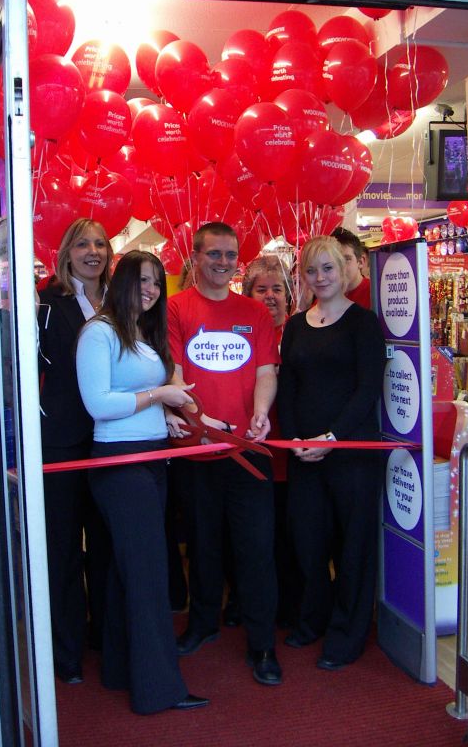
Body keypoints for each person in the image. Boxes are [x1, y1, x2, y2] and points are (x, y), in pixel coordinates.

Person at [76, 250, 209, 714]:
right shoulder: (99, 332)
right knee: (149, 575)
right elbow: (99, 404)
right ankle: (158, 689)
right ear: (122, 281)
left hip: (151, 458)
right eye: (142, 279)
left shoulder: (142, 335)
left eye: (156, 281)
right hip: (119, 464)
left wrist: (166, 416)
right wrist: (159, 396)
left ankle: (119, 670)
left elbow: (141, 400)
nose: (151, 289)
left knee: (123, 571)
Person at [167, 222, 282, 686]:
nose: (223, 262)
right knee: (203, 545)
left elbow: (266, 370)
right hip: (197, 450)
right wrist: (198, 418)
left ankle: (262, 644)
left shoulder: (254, 311)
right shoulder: (176, 308)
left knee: (256, 550)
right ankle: (202, 623)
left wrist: (260, 413)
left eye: (230, 255)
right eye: (214, 254)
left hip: (248, 452)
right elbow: (173, 374)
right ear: (196, 256)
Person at [277, 236, 386, 671]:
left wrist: (332, 437)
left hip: (351, 453)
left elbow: (367, 389)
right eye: (311, 270)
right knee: (307, 542)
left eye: (328, 269)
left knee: (353, 547)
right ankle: (313, 619)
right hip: (305, 454)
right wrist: (300, 440)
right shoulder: (296, 325)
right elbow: (288, 388)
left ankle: (348, 633)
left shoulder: (363, 323)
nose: (320, 278)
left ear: (344, 270)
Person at [37, 218, 113, 684]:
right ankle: (65, 652)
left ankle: (105, 640)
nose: (93, 251)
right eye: (83, 243)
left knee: (104, 544)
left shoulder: (121, 301)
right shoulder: (47, 302)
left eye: (101, 243)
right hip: (62, 440)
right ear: (67, 252)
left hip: (112, 438)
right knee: (62, 547)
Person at [242, 255, 302, 630]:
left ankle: (292, 606)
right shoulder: (241, 334)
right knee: (257, 539)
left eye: (276, 289)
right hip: (255, 451)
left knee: (292, 538)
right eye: (260, 289)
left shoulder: (300, 333)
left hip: (295, 453)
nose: (269, 296)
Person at [331, 227, 371, 308]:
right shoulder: (328, 294)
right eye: (334, 260)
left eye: (346, 259)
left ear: (360, 261)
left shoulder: (375, 294)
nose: (339, 266)